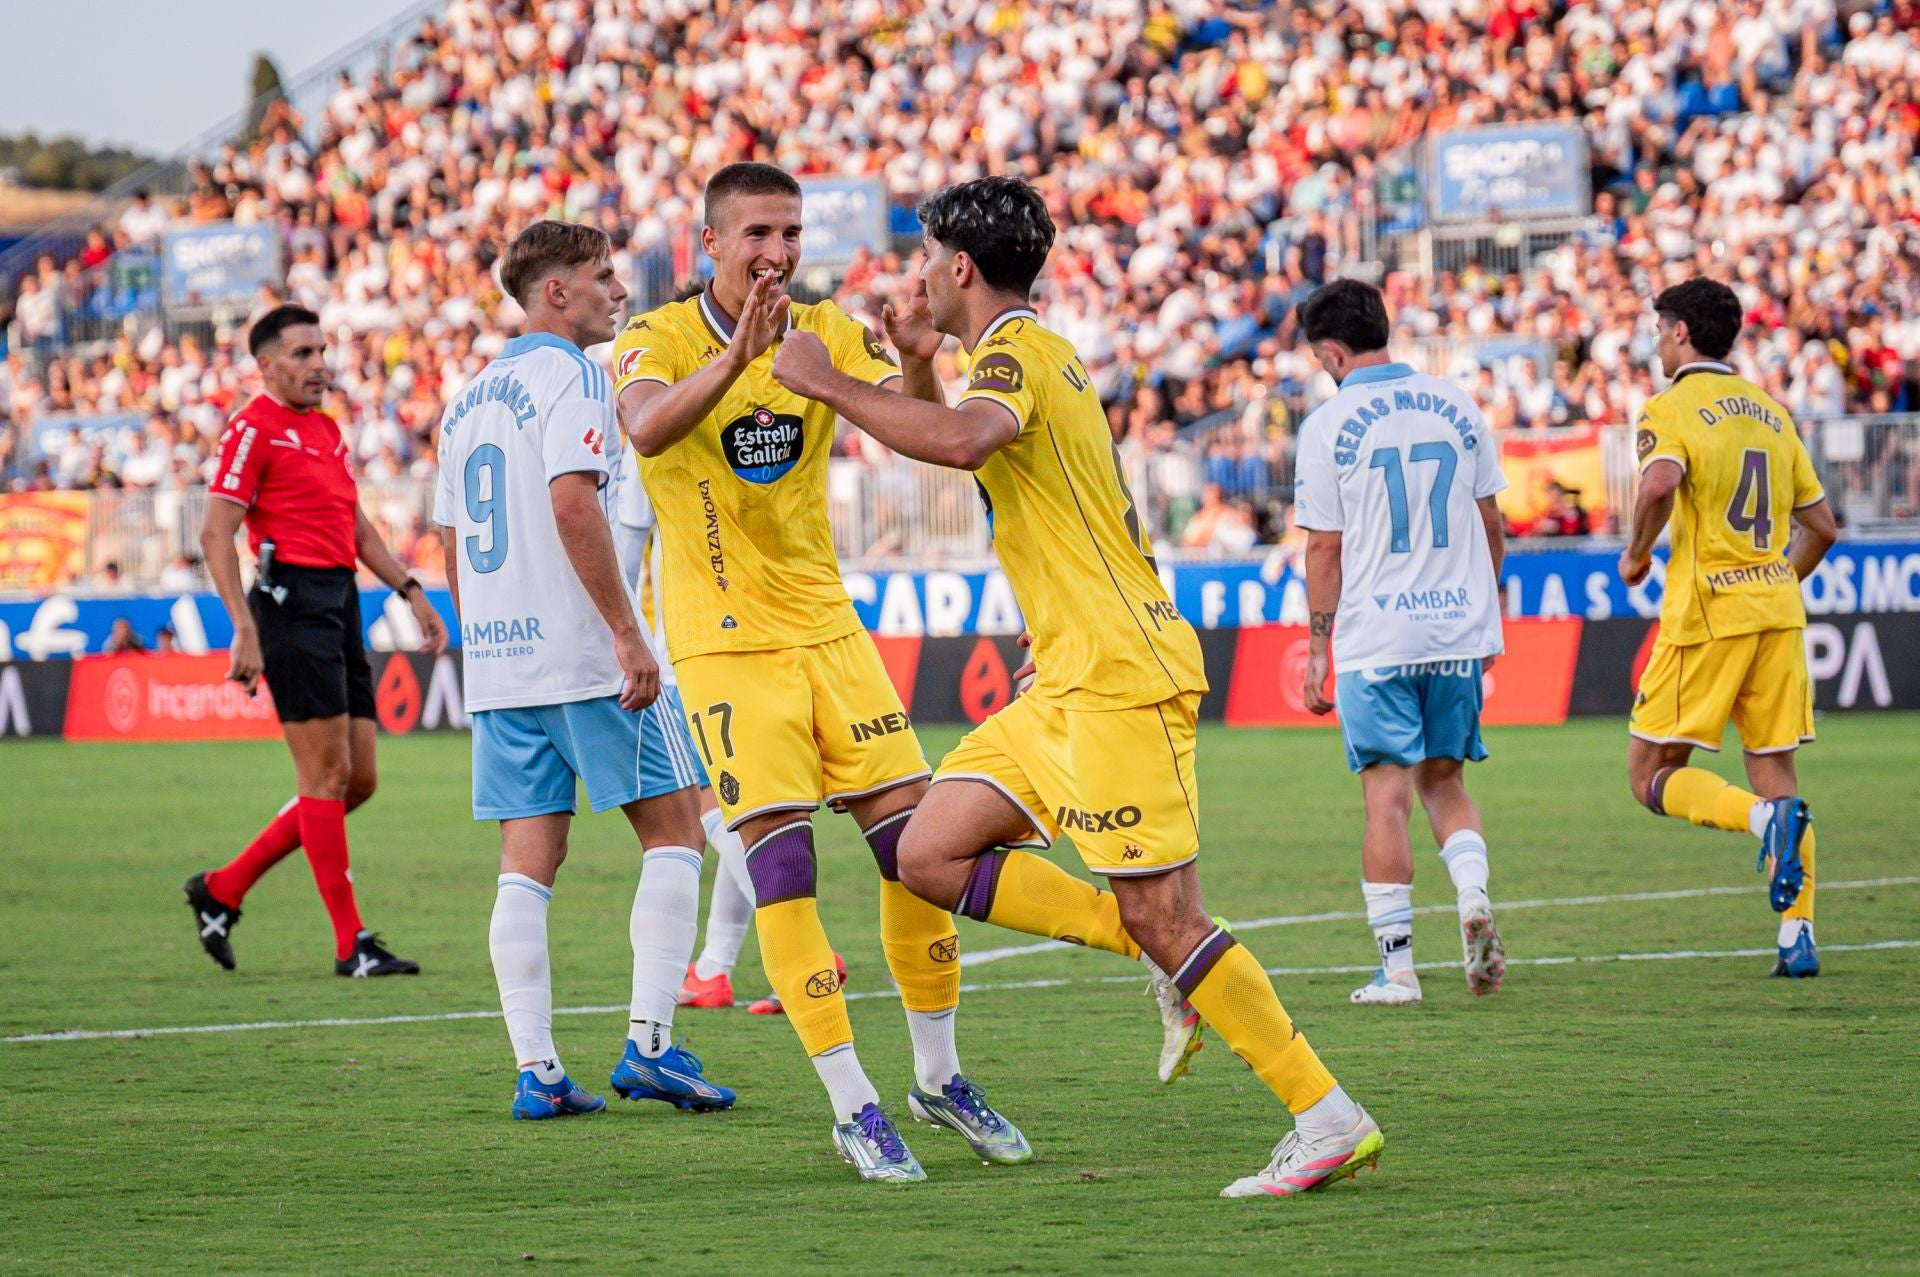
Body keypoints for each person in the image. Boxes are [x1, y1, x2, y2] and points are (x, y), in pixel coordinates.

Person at [770, 176, 1383, 1199]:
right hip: (1064, 676)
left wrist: (828, 381)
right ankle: (1151, 956)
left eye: (927, 257)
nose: (919, 274)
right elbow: (962, 442)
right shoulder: (1014, 358)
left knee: (1169, 913)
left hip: (1115, 675)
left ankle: (1325, 1112)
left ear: (959, 266)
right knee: (925, 849)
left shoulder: (1014, 349)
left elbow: (965, 439)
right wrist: (918, 362)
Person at [615, 162, 1027, 1181]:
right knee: (783, 867)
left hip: (829, 632)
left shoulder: (830, 328)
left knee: (917, 849)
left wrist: (922, 364)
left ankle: (938, 1074)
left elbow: (921, 437)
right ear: (709, 242)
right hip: (720, 643)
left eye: (790, 231)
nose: (778, 251)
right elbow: (645, 428)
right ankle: (854, 1102)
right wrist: (739, 360)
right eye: (757, 231)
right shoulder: (655, 339)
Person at [433, 220, 737, 1120]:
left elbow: (452, 543)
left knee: (527, 863)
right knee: (678, 828)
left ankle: (538, 1069)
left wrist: (481, 639)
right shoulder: (573, 376)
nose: (618, 291)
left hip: (501, 667)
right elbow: (575, 502)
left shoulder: (468, 397)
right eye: (602, 277)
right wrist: (625, 633)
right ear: (554, 290)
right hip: (581, 654)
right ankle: (649, 1043)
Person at [186, 304, 445, 977]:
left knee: (356, 780)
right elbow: (216, 532)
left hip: (339, 601)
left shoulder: (325, 430)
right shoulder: (251, 428)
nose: (318, 366)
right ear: (266, 364)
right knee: (324, 777)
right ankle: (350, 942)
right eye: (301, 354)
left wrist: (410, 590)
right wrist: (243, 626)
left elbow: (354, 526)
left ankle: (223, 886)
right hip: (288, 604)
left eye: (321, 351)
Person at [1292, 279, 1509, 1007]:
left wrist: (1319, 649)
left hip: (1376, 635)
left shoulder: (1328, 424)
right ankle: (1473, 897)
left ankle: (1400, 970)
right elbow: (1491, 524)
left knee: (1386, 800)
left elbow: (1326, 548)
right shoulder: (1457, 404)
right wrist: (1481, 611)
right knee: (1445, 782)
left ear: (1331, 350)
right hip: (1453, 628)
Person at [1619, 278, 1838, 977]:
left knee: (1650, 773)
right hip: (1776, 613)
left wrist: (1635, 552)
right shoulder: (1773, 414)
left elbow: (1657, 484)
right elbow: (1822, 527)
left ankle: (1759, 823)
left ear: (1681, 332)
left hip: (1708, 614)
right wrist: (1771, 581)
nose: (1655, 343)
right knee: (1776, 769)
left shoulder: (1672, 405)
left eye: (1659, 330)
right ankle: (1796, 933)